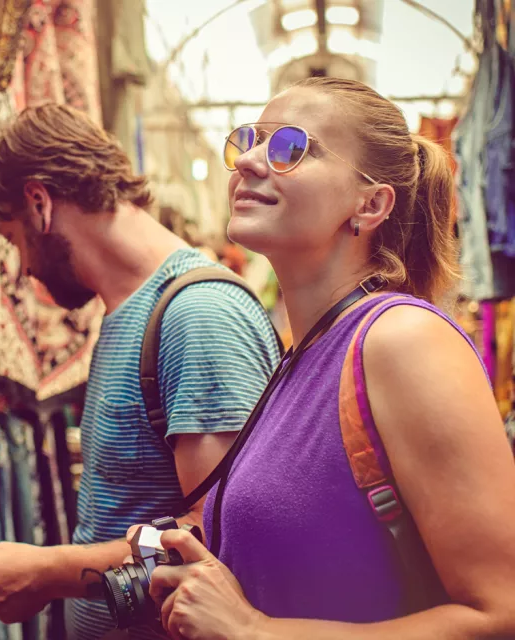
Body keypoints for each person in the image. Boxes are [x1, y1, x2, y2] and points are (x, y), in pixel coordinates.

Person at [142, 77, 515, 639]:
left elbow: (501, 613)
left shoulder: (402, 340)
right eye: (249, 139)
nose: (247, 160)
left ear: (370, 203)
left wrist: (254, 631)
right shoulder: (306, 351)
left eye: (291, 147)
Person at [0, 103, 281, 640]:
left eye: (13, 238)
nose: (22, 266)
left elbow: (218, 537)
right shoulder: (127, 309)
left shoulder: (196, 315)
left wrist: (45, 573)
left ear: (39, 204)